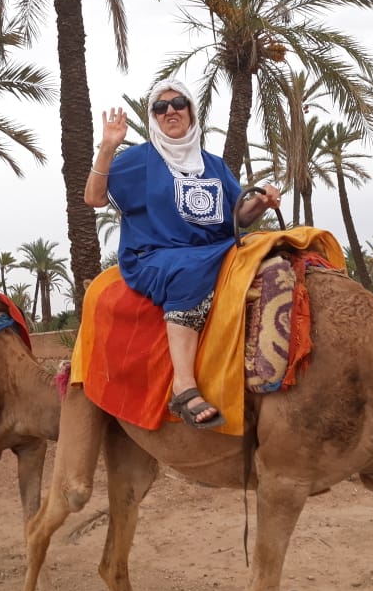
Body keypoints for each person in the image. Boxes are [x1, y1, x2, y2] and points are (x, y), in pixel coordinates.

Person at [84, 78, 281, 429]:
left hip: (215, 249)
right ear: (153, 117)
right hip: (155, 255)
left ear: (191, 111)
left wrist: (262, 202)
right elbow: (93, 198)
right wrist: (108, 147)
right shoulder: (140, 160)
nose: (170, 111)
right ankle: (183, 385)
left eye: (178, 104)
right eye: (160, 107)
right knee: (189, 270)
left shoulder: (213, 165)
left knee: (271, 249)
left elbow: (238, 216)